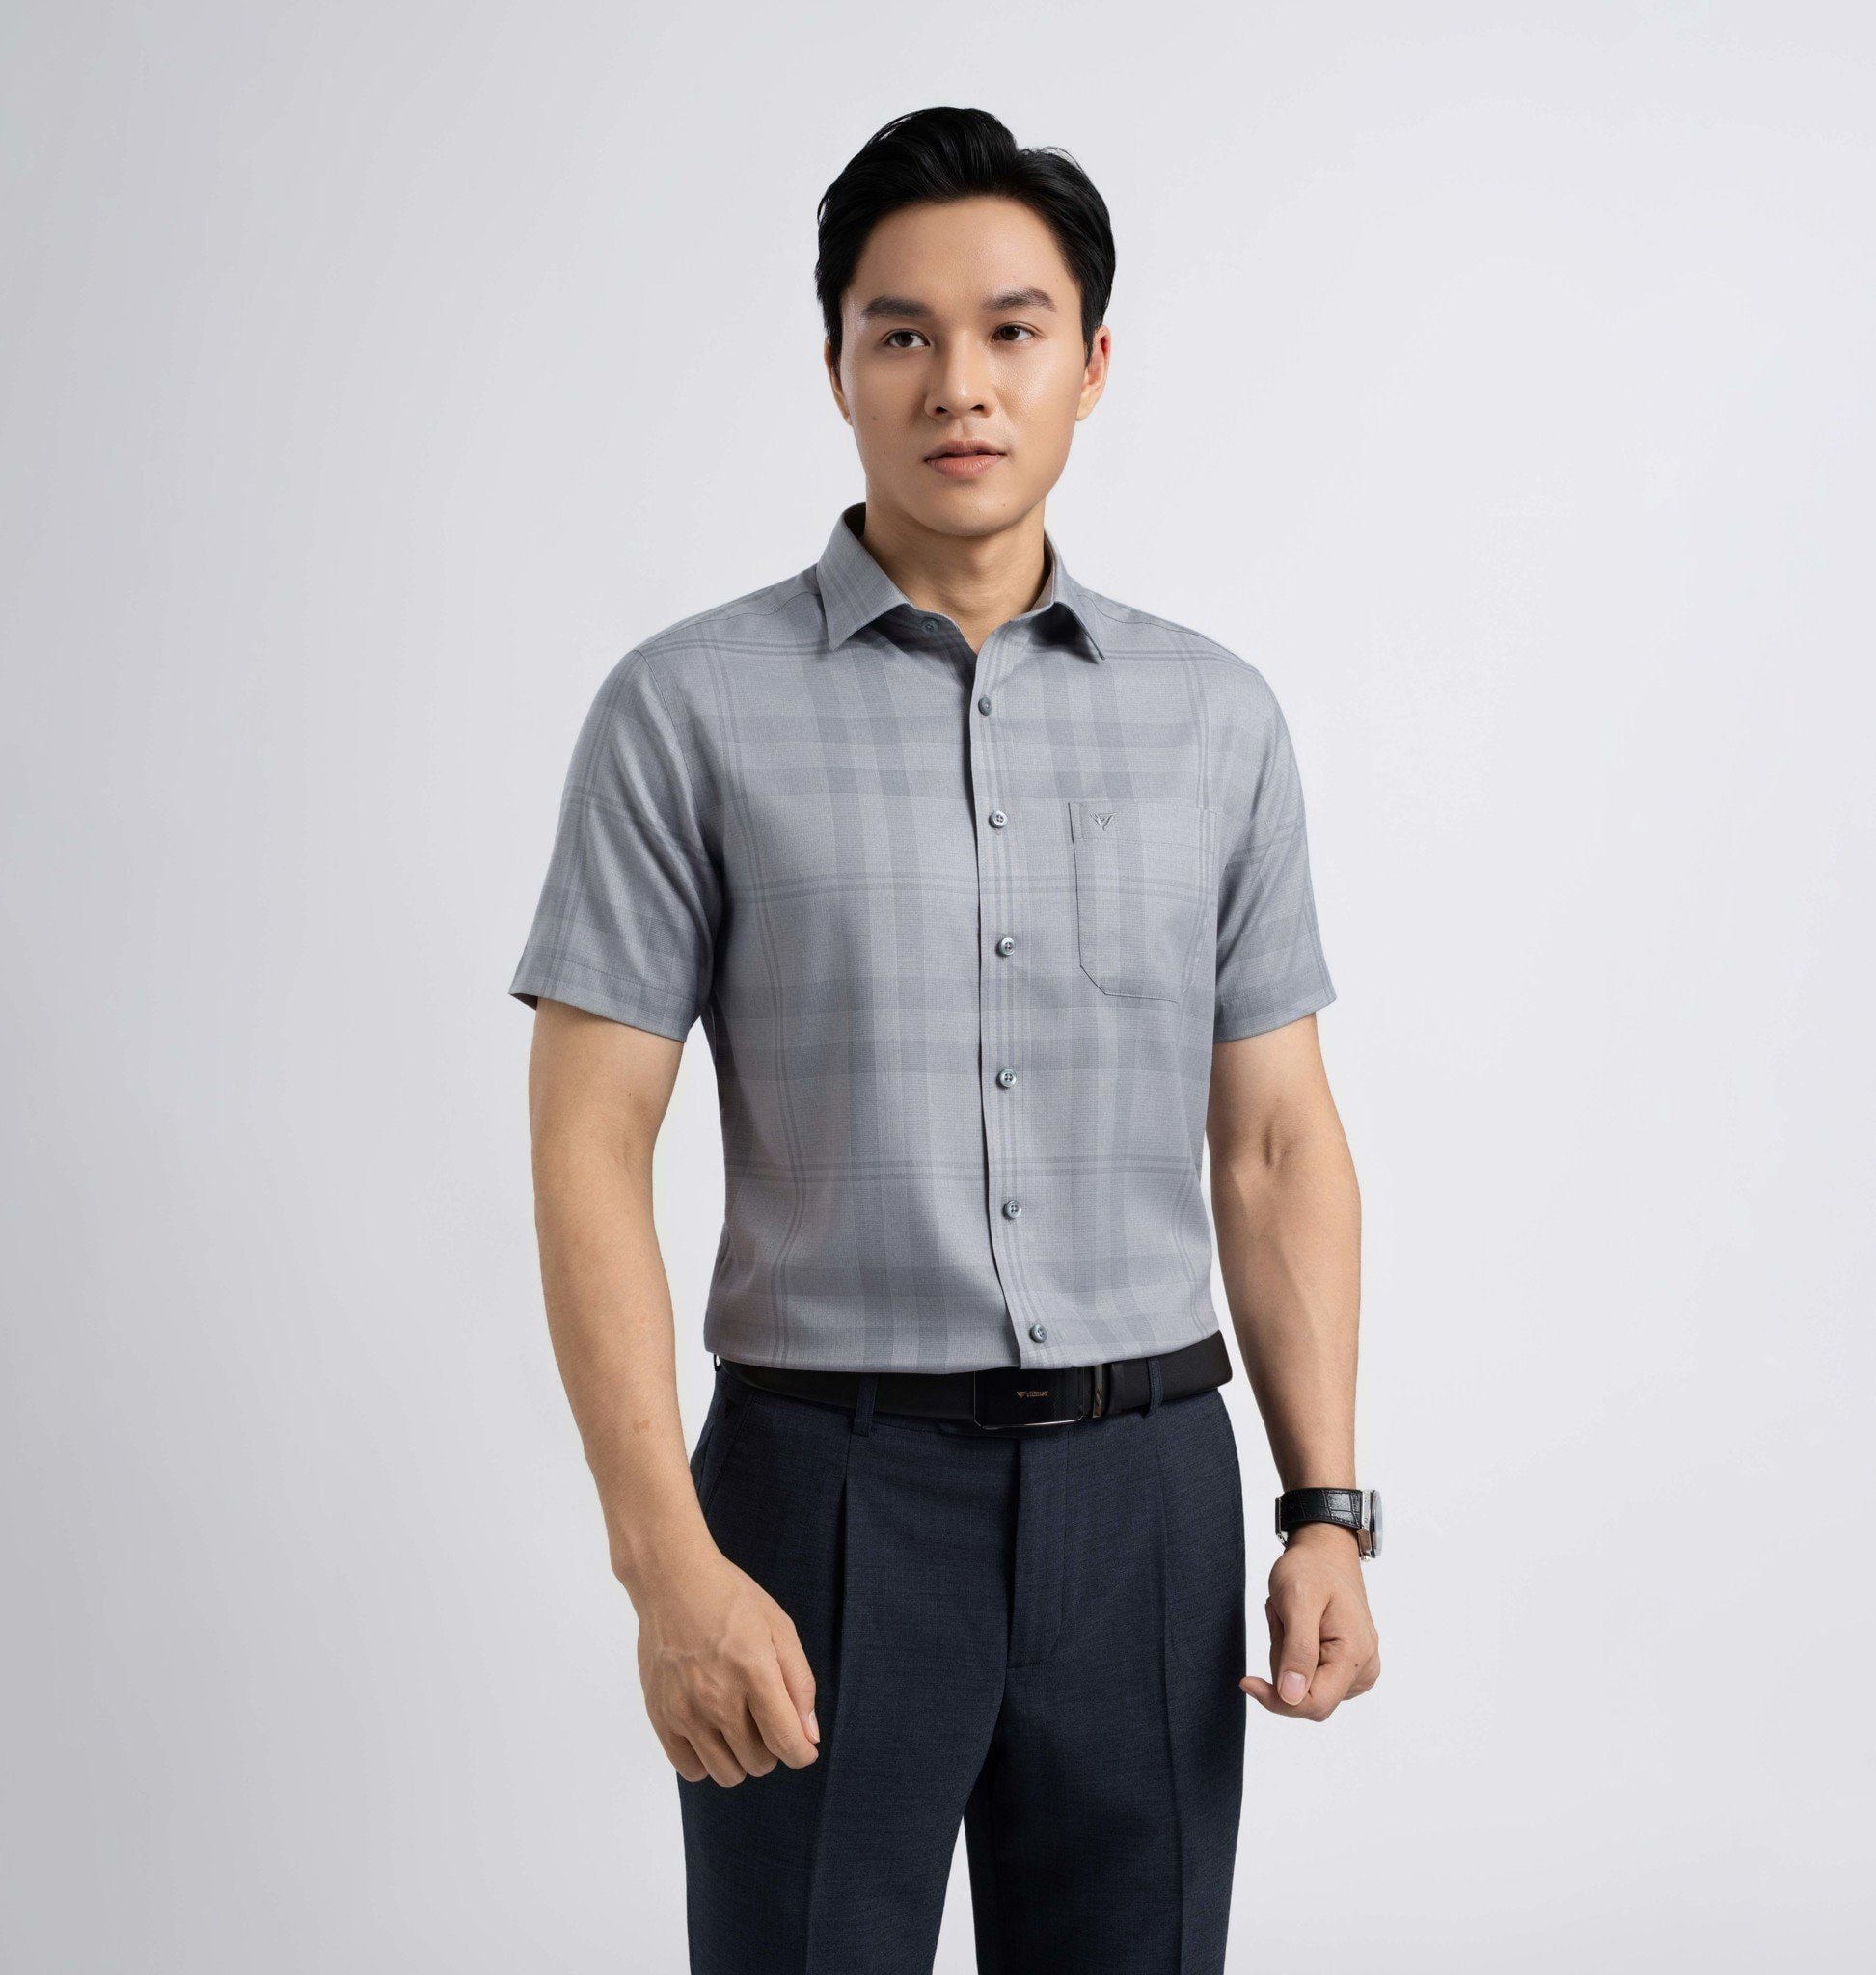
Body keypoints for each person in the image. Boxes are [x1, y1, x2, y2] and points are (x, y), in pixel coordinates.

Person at [509, 103, 1380, 1975]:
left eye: (1011, 330)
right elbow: (587, 1143)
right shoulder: (683, 711)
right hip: (819, 1501)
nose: (957, 383)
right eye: (900, 332)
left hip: (1147, 1500)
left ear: (1092, 362)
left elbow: (1276, 1143)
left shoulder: (1216, 720)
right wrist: (666, 1565)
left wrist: (1326, 1508)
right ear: (835, 364)